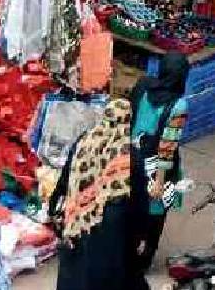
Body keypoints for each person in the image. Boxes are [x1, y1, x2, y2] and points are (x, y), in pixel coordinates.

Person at [49, 99, 149, 290]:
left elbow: (66, 178)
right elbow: (139, 201)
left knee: (77, 274)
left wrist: (57, 208)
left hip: (79, 222)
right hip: (112, 230)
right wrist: (141, 234)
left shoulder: (83, 142)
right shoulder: (130, 156)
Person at [130, 51, 190, 271]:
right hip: (157, 167)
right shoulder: (178, 105)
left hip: (133, 159)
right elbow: (167, 145)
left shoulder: (143, 86)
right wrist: (160, 181)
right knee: (155, 212)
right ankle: (143, 260)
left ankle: (128, 251)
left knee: (133, 206)